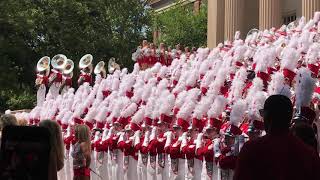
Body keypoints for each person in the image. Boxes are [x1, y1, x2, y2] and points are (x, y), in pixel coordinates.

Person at [234, 95, 320, 180]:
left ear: (267, 116)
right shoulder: (308, 152)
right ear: (290, 118)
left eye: (263, 114)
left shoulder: (251, 149)